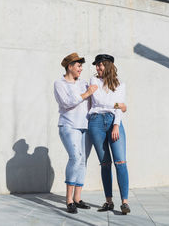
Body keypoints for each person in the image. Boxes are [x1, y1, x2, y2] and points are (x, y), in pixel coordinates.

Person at [53, 52, 98, 214]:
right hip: (69, 126)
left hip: (86, 126)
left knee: (83, 161)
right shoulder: (60, 84)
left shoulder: (84, 83)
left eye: (81, 66)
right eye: (78, 66)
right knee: (75, 157)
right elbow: (66, 103)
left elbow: (96, 99)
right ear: (70, 66)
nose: (81, 69)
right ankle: (69, 200)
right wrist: (87, 94)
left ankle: (78, 198)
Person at [88, 54, 130, 215]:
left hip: (114, 121)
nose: (97, 68)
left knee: (121, 162)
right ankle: (109, 201)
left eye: (100, 65)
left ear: (108, 66)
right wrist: (118, 104)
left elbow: (118, 109)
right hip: (96, 122)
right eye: (96, 66)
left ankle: (124, 202)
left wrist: (116, 125)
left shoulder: (120, 84)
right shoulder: (94, 81)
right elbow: (99, 101)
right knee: (105, 164)